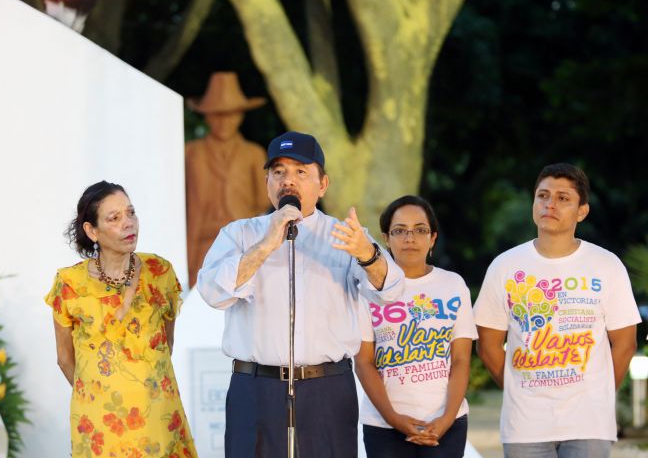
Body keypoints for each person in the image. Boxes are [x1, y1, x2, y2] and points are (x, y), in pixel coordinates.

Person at [197, 130, 405, 457]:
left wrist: (367, 255)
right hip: (255, 388)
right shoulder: (240, 234)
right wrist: (265, 245)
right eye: (278, 172)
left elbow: (392, 290)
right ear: (267, 181)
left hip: (327, 389)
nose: (287, 181)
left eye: (300, 172)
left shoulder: (346, 236)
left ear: (322, 184)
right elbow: (211, 292)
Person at [474, 163, 640, 458]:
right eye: (543, 195)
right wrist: (520, 389)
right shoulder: (504, 266)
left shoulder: (607, 265)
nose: (550, 204)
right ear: (533, 202)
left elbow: (625, 343)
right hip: (525, 425)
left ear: (582, 211)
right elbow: (487, 346)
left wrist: (598, 397)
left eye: (563, 198)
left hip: (588, 424)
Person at [46, 180, 197, 457]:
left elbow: (166, 343)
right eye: (114, 218)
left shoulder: (159, 272)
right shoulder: (69, 283)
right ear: (92, 230)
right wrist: (99, 391)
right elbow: (65, 358)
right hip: (101, 425)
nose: (129, 223)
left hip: (157, 418)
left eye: (131, 213)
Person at [355, 195, 477, 457]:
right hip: (384, 426)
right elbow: (364, 362)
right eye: (399, 231)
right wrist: (394, 418)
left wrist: (446, 419)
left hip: (446, 424)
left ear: (433, 238)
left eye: (420, 230)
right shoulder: (367, 288)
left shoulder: (453, 285)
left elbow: (460, 360)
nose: (410, 238)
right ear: (386, 238)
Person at [185, 71, 270, 287]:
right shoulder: (191, 152)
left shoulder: (253, 153)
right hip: (200, 244)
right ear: (206, 116)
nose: (224, 122)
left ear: (241, 115)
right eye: (217, 114)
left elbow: (263, 199)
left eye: (230, 114)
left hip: (242, 245)